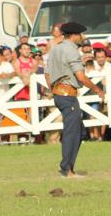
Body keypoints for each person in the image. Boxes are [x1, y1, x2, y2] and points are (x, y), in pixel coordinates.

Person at [45, 22, 105, 178]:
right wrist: (97, 89)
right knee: (73, 133)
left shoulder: (55, 49)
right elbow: (80, 76)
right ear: (74, 35)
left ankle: (69, 167)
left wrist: (54, 90)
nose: (82, 38)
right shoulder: (71, 51)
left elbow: (47, 75)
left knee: (79, 132)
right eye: (81, 35)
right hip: (68, 95)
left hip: (60, 95)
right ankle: (67, 170)